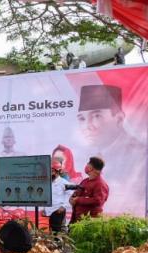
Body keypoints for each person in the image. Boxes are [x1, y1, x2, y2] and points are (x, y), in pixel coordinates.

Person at [76, 85, 144, 213]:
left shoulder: (141, 157)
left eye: (97, 116)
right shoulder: (95, 153)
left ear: (119, 118)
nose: (87, 126)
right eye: (82, 118)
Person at [70, 157, 109, 223]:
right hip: (77, 219)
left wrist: (78, 199)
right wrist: (72, 199)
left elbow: (98, 201)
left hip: (90, 222)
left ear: (91, 167)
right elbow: (77, 193)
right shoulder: (85, 181)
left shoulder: (100, 184)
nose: (86, 165)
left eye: (88, 163)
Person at [42, 160, 72, 232]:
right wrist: (45, 209)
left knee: (58, 234)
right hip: (49, 212)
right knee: (51, 233)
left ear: (57, 171)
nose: (50, 173)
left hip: (58, 212)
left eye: (52, 171)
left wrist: (63, 207)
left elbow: (70, 195)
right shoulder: (47, 183)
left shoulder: (64, 182)